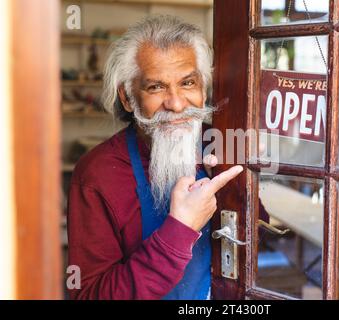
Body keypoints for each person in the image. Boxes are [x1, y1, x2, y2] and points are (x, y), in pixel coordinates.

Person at [67, 15, 243, 300]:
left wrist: (242, 187)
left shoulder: (221, 144)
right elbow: (87, 296)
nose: (175, 104)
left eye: (188, 83)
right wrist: (180, 229)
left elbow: (256, 242)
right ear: (127, 98)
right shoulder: (97, 175)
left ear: (203, 88)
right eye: (156, 87)